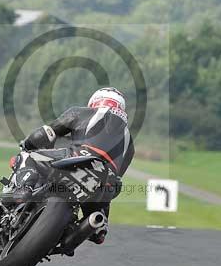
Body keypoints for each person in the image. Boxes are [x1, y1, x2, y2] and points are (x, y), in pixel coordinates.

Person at [21, 87, 135, 244]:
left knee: (28, 156)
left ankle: (24, 189)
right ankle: (97, 225)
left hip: (75, 159)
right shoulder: (130, 143)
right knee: (102, 207)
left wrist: (28, 143)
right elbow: (117, 176)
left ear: (94, 101)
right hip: (104, 181)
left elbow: (48, 132)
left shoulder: (82, 112)